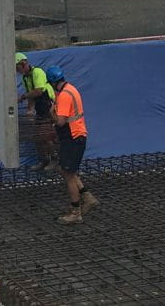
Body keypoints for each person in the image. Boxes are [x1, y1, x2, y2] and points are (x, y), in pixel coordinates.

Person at [46, 66, 99, 225]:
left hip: (73, 138)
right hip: (77, 136)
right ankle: (87, 196)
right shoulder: (72, 89)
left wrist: (51, 113)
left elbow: (60, 121)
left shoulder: (64, 96)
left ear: (53, 82)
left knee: (68, 175)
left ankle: (76, 212)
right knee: (65, 169)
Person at [15, 52, 58, 171]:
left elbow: (38, 91)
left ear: (23, 64)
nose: (16, 70)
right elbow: (32, 96)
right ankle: (44, 160)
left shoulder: (37, 72)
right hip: (40, 107)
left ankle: (55, 158)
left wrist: (22, 97)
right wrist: (30, 109)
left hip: (48, 105)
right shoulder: (25, 78)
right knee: (37, 136)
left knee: (45, 134)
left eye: (17, 67)